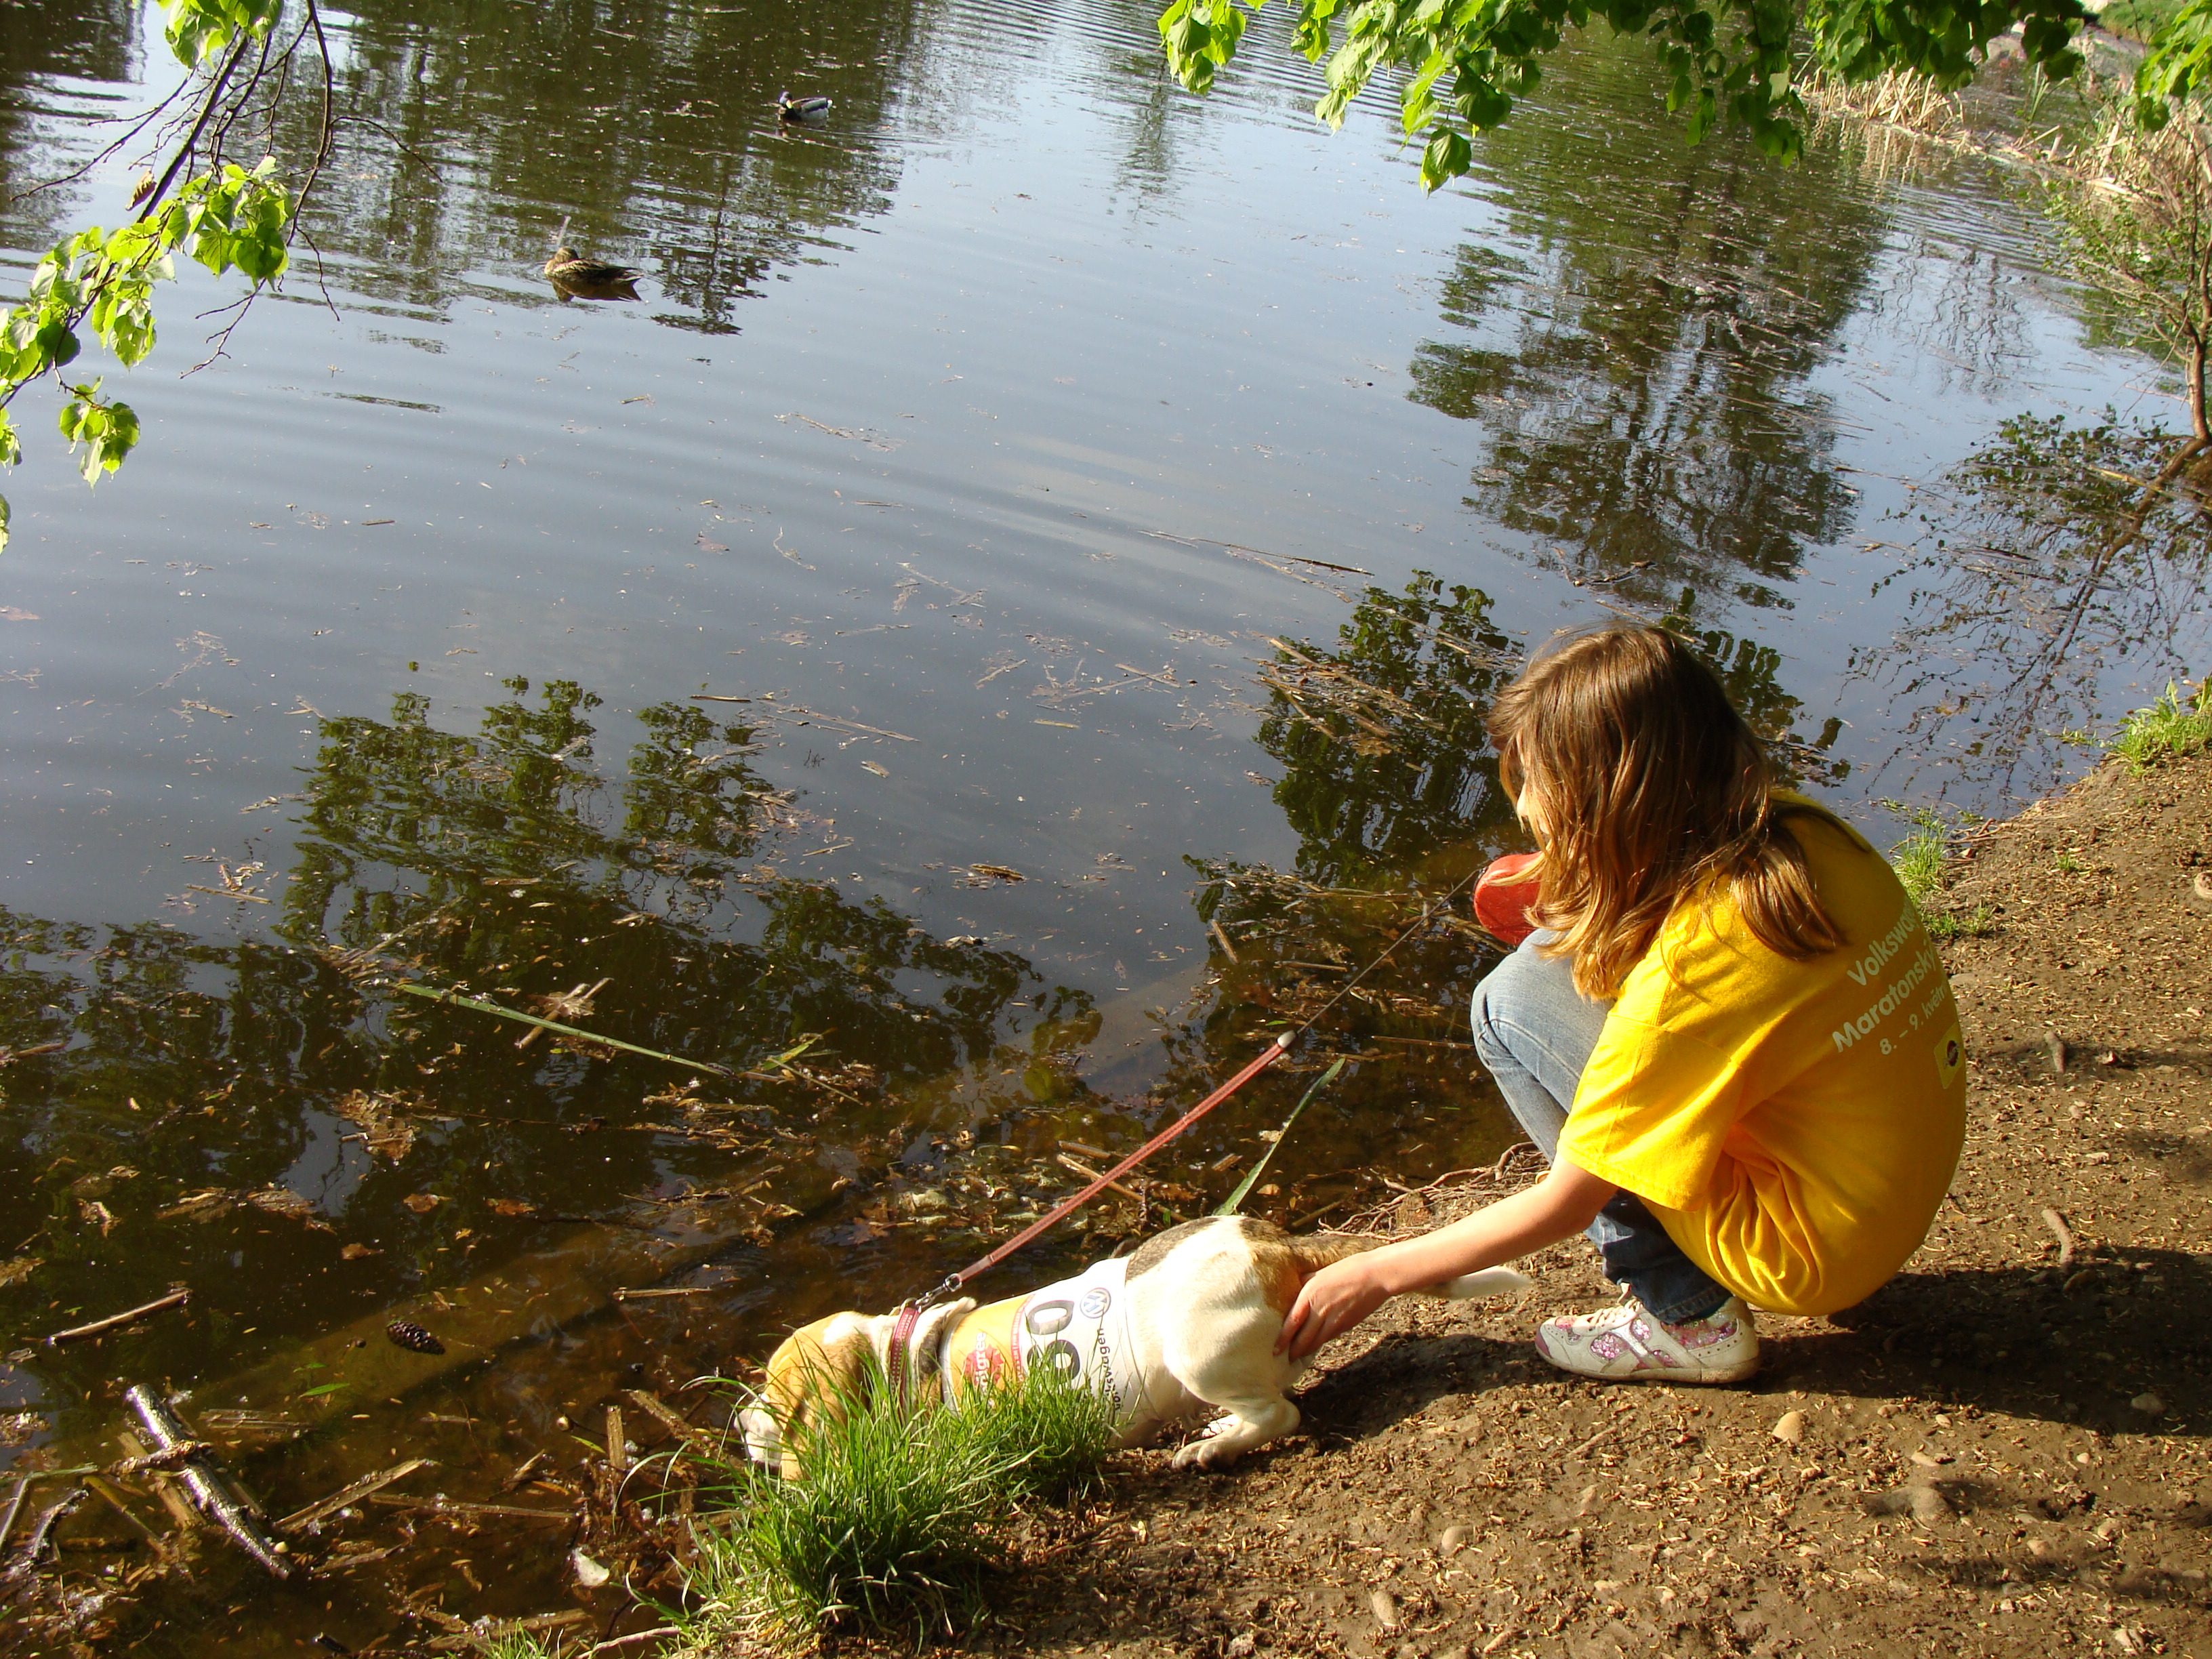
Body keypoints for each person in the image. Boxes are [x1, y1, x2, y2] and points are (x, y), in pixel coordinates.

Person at [1278, 624, 1967, 1382]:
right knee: (1550, 962)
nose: (1527, 809)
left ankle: (1688, 1318)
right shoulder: (1802, 830)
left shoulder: (1690, 979)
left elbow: (1565, 1205)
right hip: (1894, 1189)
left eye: (1539, 786)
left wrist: (1375, 1272)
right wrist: (1586, 872)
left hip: (1806, 1251)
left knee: (1507, 1001)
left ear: (1608, 803)